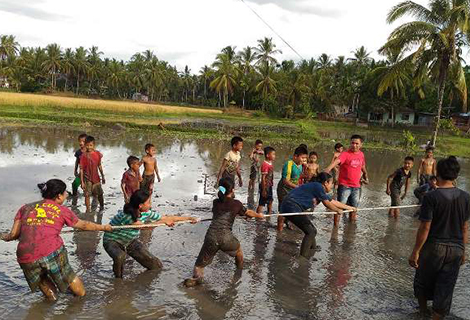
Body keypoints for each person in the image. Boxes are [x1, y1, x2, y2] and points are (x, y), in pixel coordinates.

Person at [1, 179, 111, 301]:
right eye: (65, 193)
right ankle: (81, 301)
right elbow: (83, 225)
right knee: (68, 277)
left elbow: (12, 235)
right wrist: (103, 227)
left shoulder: (25, 208)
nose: (66, 195)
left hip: (25, 256)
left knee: (45, 285)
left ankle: (51, 304)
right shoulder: (62, 210)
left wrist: (2, 236)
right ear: (59, 196)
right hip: (50, 251)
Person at [409, 156, 469, 319]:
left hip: (435, 246)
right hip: (456, 248)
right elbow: (465, 227)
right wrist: (463, 250)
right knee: (446, 286)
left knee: (422, 280)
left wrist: (415, 251)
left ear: (437, 173)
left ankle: (422, 311)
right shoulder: (465, 197)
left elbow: (425, 226)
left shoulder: (432, 197)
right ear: (456, 175)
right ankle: (437, 315)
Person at [184, 177, 264, 287]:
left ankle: (197, 278)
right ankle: (238, 272)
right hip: (226, 238)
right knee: (239, 251)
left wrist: (243, 214)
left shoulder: (215, 203)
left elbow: (230, 211)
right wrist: (258, 215)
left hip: (211, 237)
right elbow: (248, 212)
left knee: (199, 266)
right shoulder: (236, 204)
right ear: (232, 190)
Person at [103, 190, 197, 278]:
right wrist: (163, 223)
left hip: (129, 241)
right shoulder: (127, 215)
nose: (150, 205)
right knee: (120, 257)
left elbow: (166, 217)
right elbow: (144, 227)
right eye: (149, 202)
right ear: (140, 205)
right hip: (113, 240)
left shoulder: (146, 212)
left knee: (155, 265)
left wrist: (188, 218)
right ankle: (118, 281)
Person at [280, 172, 356, 258]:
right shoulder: (318, 186)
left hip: (292, 206)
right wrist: (337, 210)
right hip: (291, 206)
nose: (332, 186)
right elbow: (327, 203)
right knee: (311, 231)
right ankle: (303, 257)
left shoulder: (319, 189)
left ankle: (313, 248)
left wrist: (350, 208)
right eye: (331, 183)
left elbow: (333, 201)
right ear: (326, 182)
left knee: (312, 230)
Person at [325, 135, 369, 222]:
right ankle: (335, 229)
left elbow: (363, 167)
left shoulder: (361, 154)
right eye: (352, 143)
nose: (354, 145)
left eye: (357, 143)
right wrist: (328, 169)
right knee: (339, 209)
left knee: (354, 209)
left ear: (361, 145)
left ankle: (350, 229)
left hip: (356, 187)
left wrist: (366, 177)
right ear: (350, 143)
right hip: (345, 186)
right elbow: (337, 161)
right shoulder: (345, 154)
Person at [276, 146, 308, 231]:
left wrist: (305, 173)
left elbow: (297, 176)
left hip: (293, 189)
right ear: (295, 156)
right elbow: (285, 181)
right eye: (302, 157)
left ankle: (288, 222)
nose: (304, 160)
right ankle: (279, 230)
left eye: (305, 158)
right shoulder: (289, 164)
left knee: (292, 207)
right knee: (282, 210)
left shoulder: (301, 165)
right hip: (284, 189)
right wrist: (297, 187)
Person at [80, 135, 105, 213]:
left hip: (96, 178)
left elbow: (99, 165)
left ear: (94, 145)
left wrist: (103, 176)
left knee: (100, 194)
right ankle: (88, 209)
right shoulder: (83, 156)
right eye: (87, 145)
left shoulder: (97, 154)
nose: (89, 147)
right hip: (87, 179)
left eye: (91, 145)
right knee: (87, 195)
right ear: (85, 145)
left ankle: (102, 206)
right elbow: (81, 170)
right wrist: (82, 182)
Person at [256, 146, 276, 215]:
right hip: (265, 186)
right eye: (273, 154)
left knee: (270, 200)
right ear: (267, 155)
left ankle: (269, 213)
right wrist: (264, 189)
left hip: (269, 185)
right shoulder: (265, 165)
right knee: (262, 202)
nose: (274, 156)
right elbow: (263, 178)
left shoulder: (270, 163)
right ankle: (258, 215)